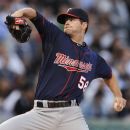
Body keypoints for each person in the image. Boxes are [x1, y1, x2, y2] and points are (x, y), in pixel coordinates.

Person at [0, 7, 126, 130]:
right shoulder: (55, 36)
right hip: (41, 113)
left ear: (84, 25)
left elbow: (109, 75)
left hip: (71, 116)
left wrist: (118, 96)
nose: (67, 22)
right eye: (66, 20)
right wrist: (18, 13)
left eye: (72, 19)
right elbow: (33, 13)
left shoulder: (94, 58)